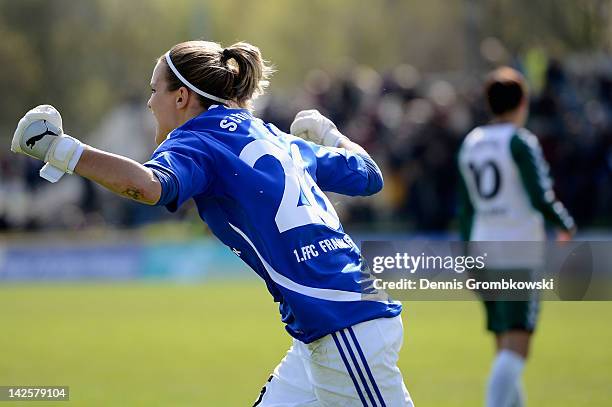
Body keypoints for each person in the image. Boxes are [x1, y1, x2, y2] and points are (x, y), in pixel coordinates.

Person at [11, 40, 413, 406]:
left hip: (341, 323)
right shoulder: (270, 133)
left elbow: (148, 188)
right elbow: (368, 173)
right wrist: (331, 134)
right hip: (331, 324)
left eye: (155, 90)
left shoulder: (197, 139)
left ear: (182, 96)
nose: (150, 103)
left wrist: (61, 150)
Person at [457, 67, 575, 407]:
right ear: (523, 102)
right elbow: (540, 194)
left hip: (482, 247)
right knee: (517, 346)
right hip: (517, 249)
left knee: (503, 345)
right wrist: (565, 223)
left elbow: (465, 209)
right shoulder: (520, 141)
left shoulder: (471, 142)